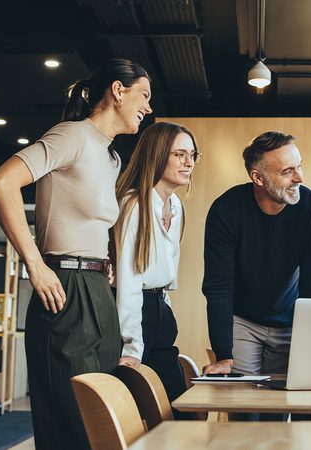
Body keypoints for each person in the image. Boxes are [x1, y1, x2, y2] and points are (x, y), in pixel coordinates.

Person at [0, 59, 152, 450]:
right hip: (63, 288)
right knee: (72, 424)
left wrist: (103, 263)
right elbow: (1, 183)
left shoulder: (111, 157)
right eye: (143, 95)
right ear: (118, 90)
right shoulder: (71, 136)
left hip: (96, 289)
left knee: (103, 422)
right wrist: (35, 264)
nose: (147, 107)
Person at [202, 131, 311, 380]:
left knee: (281, 404)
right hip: (243, 320)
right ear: (258, 177)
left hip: (293, 319)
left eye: (299, 167)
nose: (300, 178)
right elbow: (219, 287)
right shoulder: (226, 210)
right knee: (244, 406)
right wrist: (223, 355)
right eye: (287, 172)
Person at [113, 121, 199, 415]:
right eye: (179, 155)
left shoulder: (175, 205)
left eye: (192, 154)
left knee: (176, 407)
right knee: (143, 412)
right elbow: (128, 280)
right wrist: (132, 347)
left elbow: (166, 275)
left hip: (160, 309)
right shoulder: (134, 204)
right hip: (136, 313)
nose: (189, 162)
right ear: (157, 155)